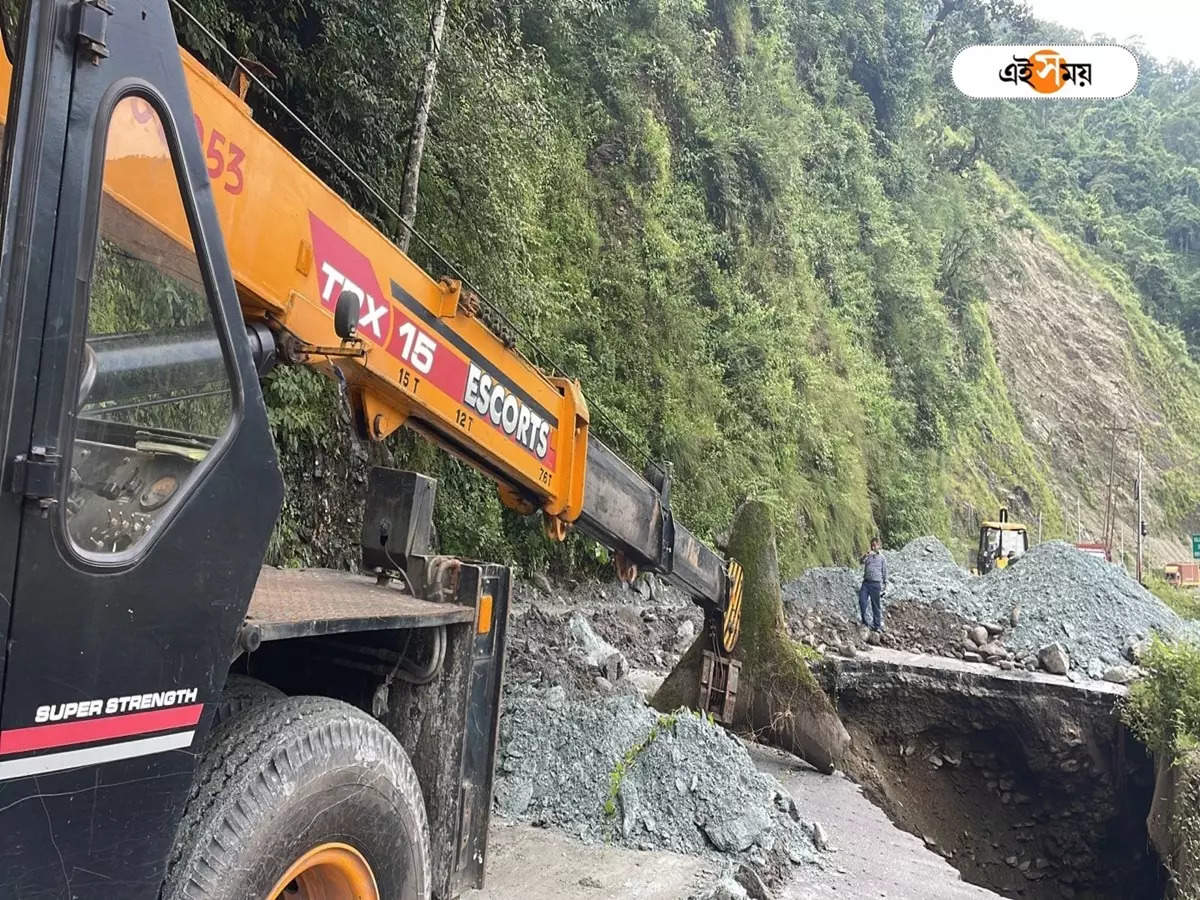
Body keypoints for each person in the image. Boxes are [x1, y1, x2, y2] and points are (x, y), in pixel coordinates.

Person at [859, 537, 887, 632]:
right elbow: (860, 562)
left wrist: (885, 584)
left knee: (876, 605)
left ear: (879, 546)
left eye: (875, 545)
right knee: (862, 601)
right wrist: (866, 555)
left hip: (876, 584)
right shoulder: (868, 556)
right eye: (872, 545)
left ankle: (877, 626)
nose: (873, 547)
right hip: (866, 583)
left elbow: (884, 572)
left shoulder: (882, 558)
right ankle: (865, 622)